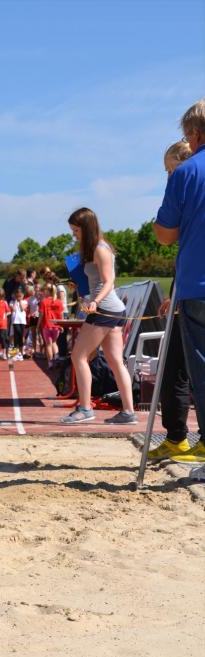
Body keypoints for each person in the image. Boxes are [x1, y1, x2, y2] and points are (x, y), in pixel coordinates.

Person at [154, 98, 205, 480]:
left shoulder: (186, 173)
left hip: (197, 285)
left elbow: (165, 235)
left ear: (194, 133)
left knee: (200, 370)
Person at [60, 207, 136, 425]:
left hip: (105, 310)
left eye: (76, 230)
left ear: (87, 228)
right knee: (115, 361)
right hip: (110, 310)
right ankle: (128, 412)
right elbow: (96, 281)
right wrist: (80, 287)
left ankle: (85, 408)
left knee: (78, 356)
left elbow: (109, 280)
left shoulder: (101, 250)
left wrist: (95, 301)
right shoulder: (94, 249)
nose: (74, 235)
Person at [148, 141, 194, 460]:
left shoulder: (187, 188)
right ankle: (176, 436)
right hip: (186, 287)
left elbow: (166, 234)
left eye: (170, 169)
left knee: (179, 367)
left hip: (194, 292)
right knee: (173, 366)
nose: (168, 177)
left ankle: (181, 436)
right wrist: (174, 291)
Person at [38, 283, 63, 368]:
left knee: (48, 344)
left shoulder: (43, 301)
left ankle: (50, 363)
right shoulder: (59, 302)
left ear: (48, 291)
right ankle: (57, 357)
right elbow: (61, 315)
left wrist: (38, 325)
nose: (43, 292)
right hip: (56, 326)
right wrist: (61, 325)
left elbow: (41, 315)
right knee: (54, 343)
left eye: (44, 290)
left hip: (46, 325)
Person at [9, 287, 28, 361]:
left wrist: (20, 302)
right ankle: (14, 354)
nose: (18, 297)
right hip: (15, 321)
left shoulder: (25, 302)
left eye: (20, 296)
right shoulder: (12, 302)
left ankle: (21, 353)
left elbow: (22, 309)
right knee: (15, 337)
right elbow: (13, 309)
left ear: (23, 295)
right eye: (17, 296)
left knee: (21, 336)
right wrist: (15, 301)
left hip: (22, 322)